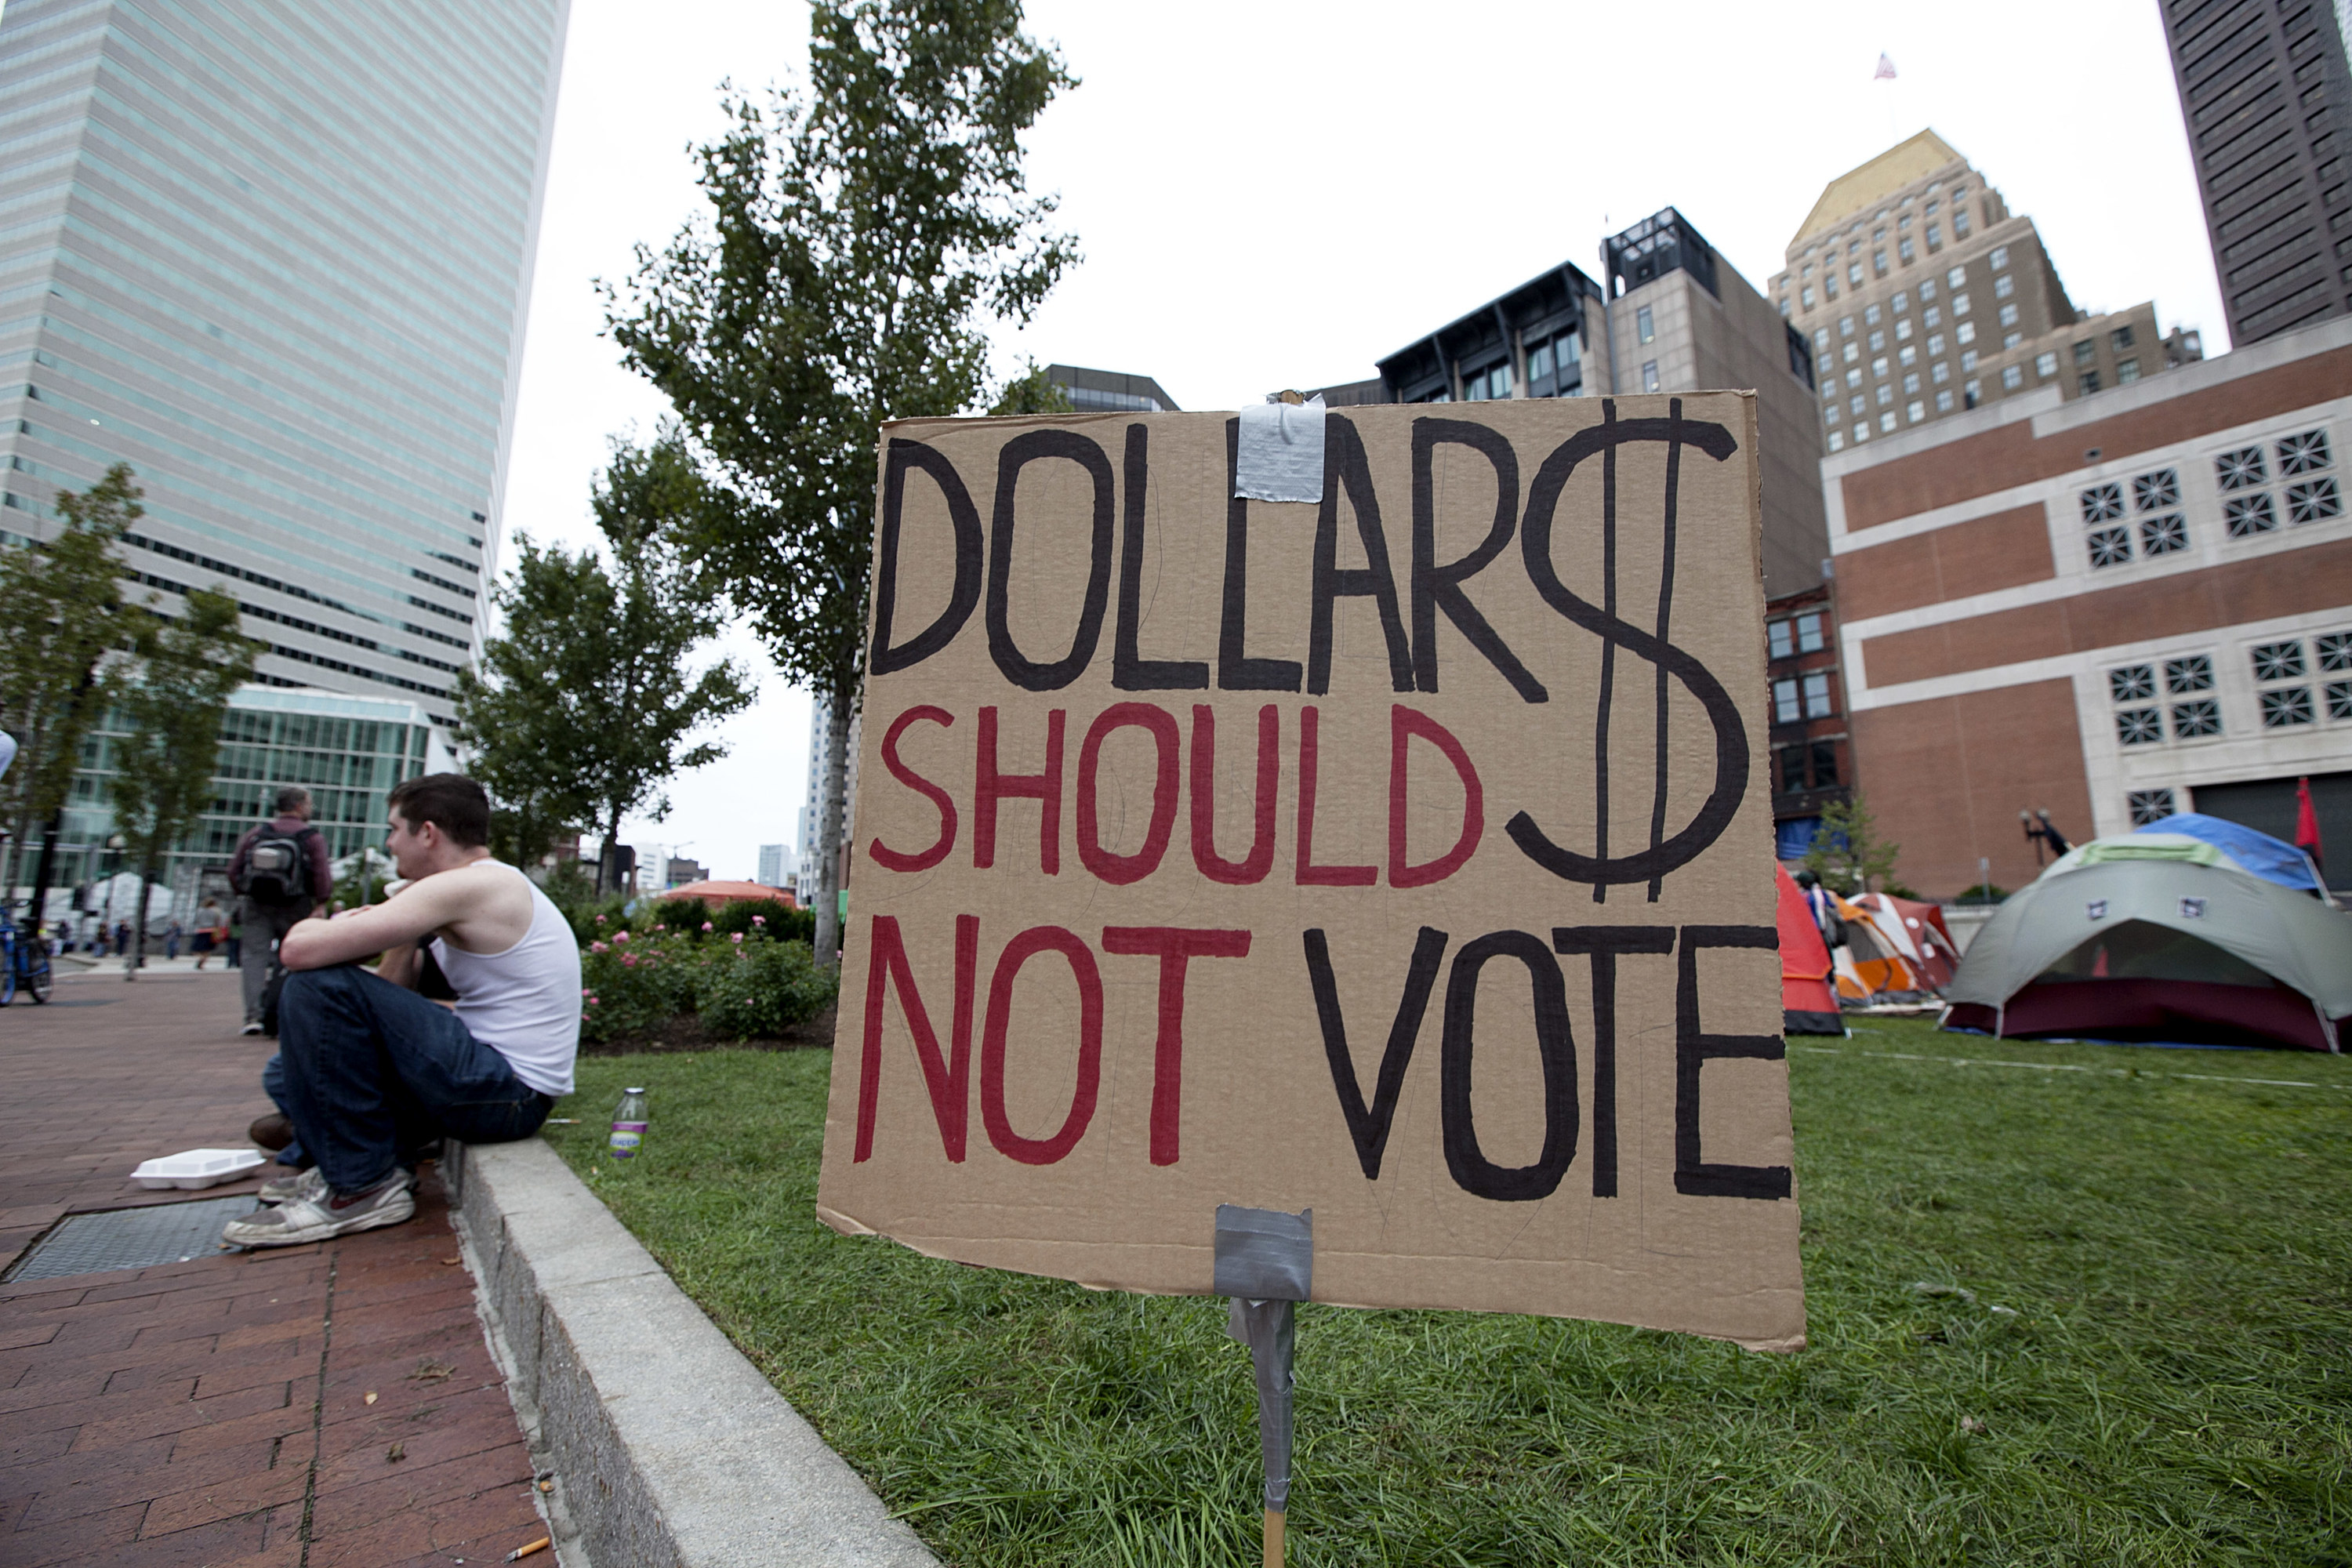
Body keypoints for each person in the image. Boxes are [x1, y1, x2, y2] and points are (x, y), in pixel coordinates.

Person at [222, 773, 579, 1249]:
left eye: (394, 829)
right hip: (490, 1080)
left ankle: (362, 1185)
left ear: (427, 833)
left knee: (317, 986)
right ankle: (357, 1154)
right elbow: (391, 995)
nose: (389, 843)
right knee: (285, 1073)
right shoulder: (469, 891)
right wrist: (403, 931)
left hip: (510, 1093)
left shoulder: (472, 884)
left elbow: (298, 953)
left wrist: (346, 923)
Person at [229, 786, 333, 1036]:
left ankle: (252, 1016)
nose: (311, 808)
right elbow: (321, 874)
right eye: (309, 803)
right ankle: (278, 1011)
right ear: (299, 806)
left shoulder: (257, 834)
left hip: (257, 903)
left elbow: (234, 870)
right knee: (291, 957)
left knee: (254, 957)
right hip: (295, 905)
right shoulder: (311, 838)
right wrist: (321, 902)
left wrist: (244, 892)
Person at [191, 897, 227, 970]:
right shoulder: (215, 911)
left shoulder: (199, 911)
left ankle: (201, 958)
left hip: (201, 930)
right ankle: (203, 961)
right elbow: (218, 922)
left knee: (196, 948)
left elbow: (196, 920)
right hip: (211, 930)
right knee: (207, 949)